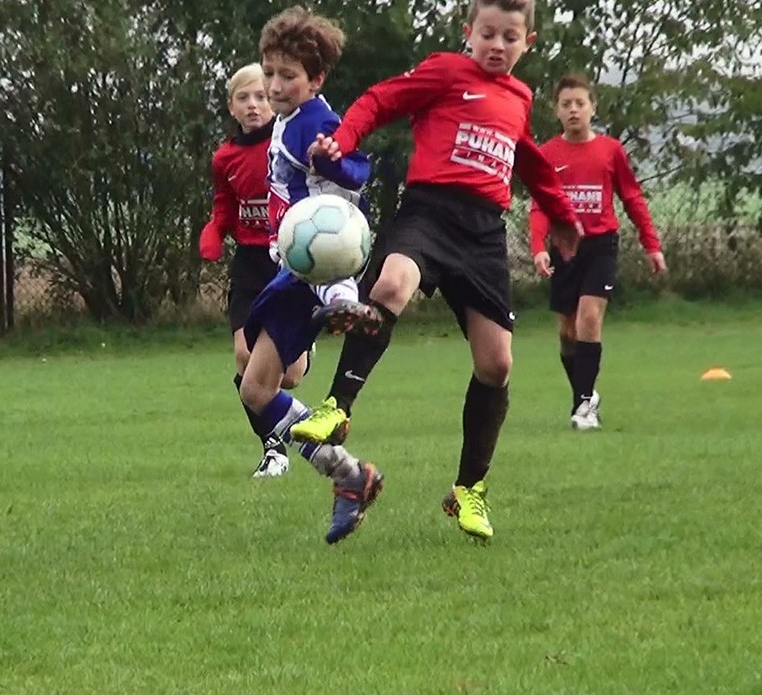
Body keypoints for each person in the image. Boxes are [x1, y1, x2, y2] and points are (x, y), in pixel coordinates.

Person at [301, 0, 583, 541]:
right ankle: (337, 406)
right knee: (391, 284)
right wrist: (345, 138)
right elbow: (382, 99)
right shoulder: (446, 70)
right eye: (487, 34)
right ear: (468, 34)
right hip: (429, 212)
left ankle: (468, 490)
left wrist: (564, 218)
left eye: (509, 37)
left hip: (483, 235)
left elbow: (528, 161)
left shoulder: (520, 98)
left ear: (529, 43)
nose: (497, 45)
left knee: (497, 365)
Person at [237, 6, 385, 545]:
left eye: (287, 76)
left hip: (314, 270)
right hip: (290, 269)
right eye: (269, 72)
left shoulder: (318, 122)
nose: (274, 86)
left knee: (257, 384)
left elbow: (360, 171)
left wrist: (333, 161)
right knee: (254, 385)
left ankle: (345, 304)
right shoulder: (287, 120)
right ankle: (351, 475)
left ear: (315, 79)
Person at [530, 73, 667, 430]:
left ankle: (585, 406)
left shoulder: (610, 151)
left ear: (593, 108)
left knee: (589, 319)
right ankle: (585, 398)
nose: (574, 110)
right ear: (556, 111)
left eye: (580, 103)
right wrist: (538, 248)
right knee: (567, 332)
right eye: (566, 104)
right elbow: (540, 206)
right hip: (564, 249)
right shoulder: (547, 154)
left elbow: (632, 197)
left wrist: (651, 245)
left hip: (600, 245)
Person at [200, 62, 307, 479]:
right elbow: (225, 201)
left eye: (261, 96)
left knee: (291, 378)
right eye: (244, 98)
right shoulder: (224, 156)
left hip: (287, 259)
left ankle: (304, 352)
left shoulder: (286, 143)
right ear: (231, 106)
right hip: (249, 262)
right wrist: (216, 228)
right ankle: (273, 449)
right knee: (245, 358)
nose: (254, 105)